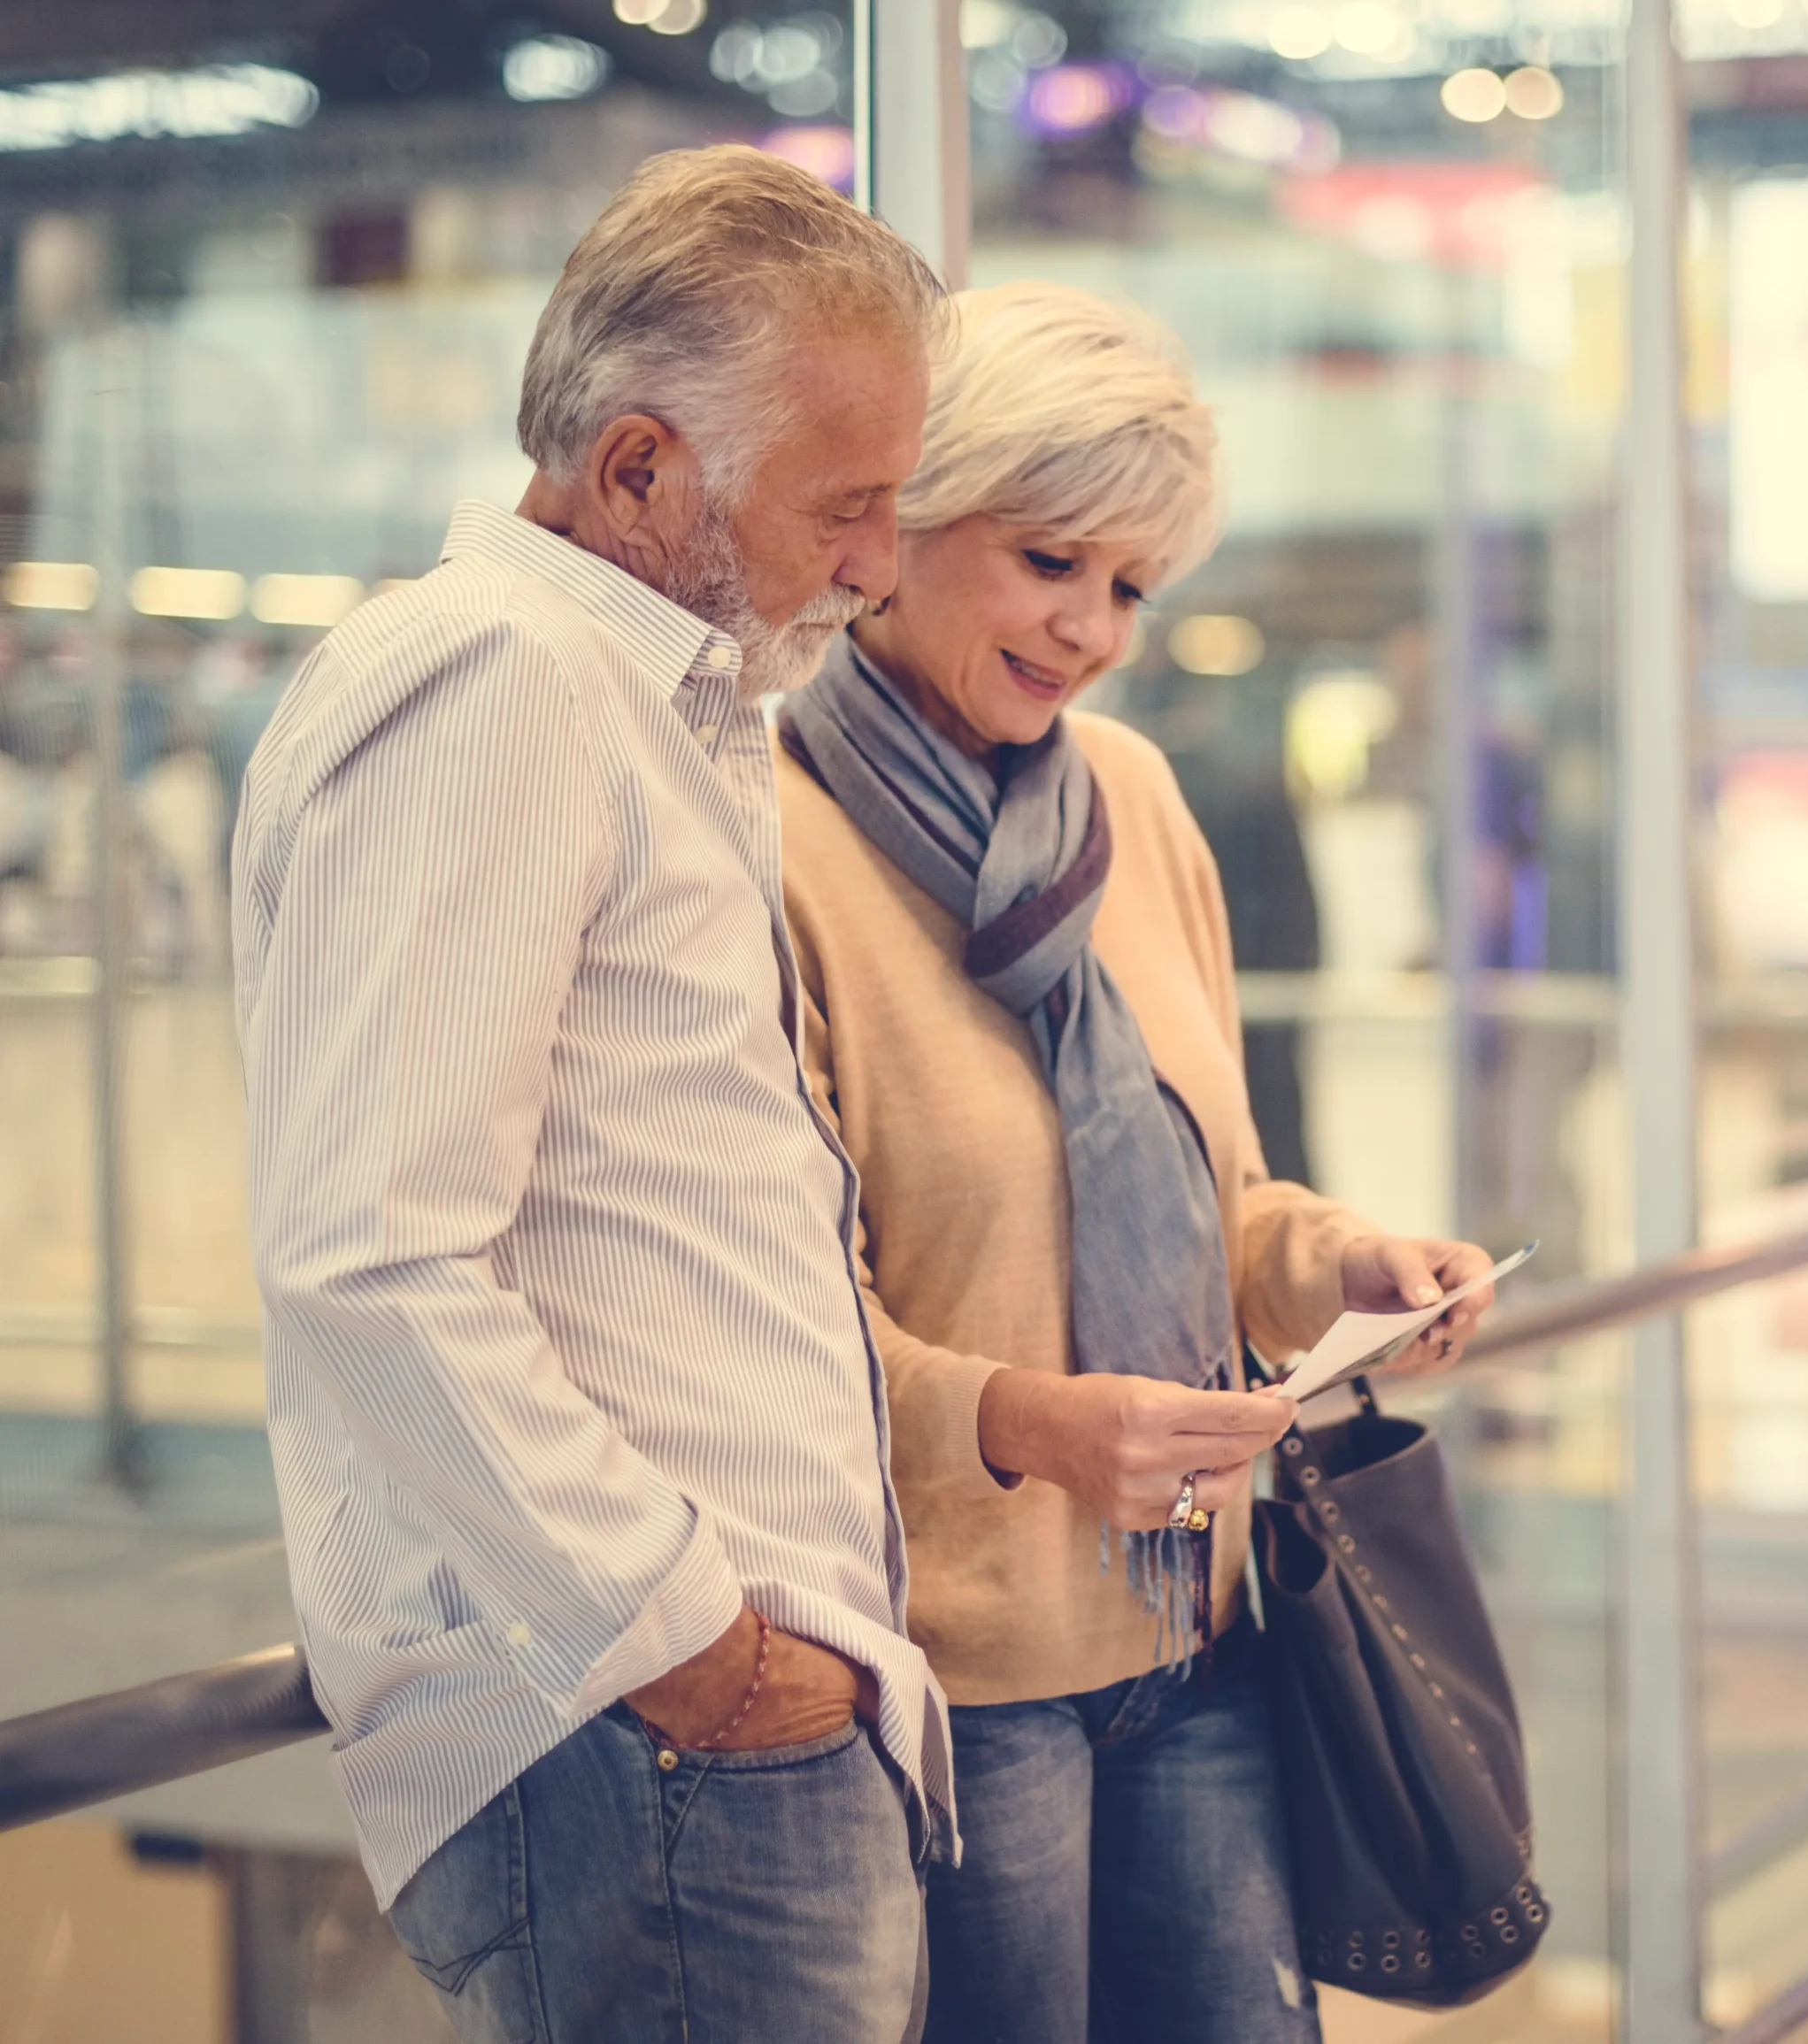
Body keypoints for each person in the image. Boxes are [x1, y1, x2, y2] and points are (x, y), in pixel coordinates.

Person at [232, 146, 948, 2044]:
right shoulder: (498, 680)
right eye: (848, 503)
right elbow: (367, 1257)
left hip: (704, 1729)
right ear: (637, 469)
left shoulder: (650, 703)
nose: (878, 562)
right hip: (645, 1745)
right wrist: (688, 1650)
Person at [774, 280, 1500, 2044]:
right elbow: (765, 1332)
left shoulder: (1132, 801)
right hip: (953, 1679)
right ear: (900, 522)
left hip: (1200, 1627)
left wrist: (1338, 1264)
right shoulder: (759, 842)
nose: (1092, 629)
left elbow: (1215, 1192)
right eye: (1049, 562)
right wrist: (1030, 1420)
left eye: (1127, 586)